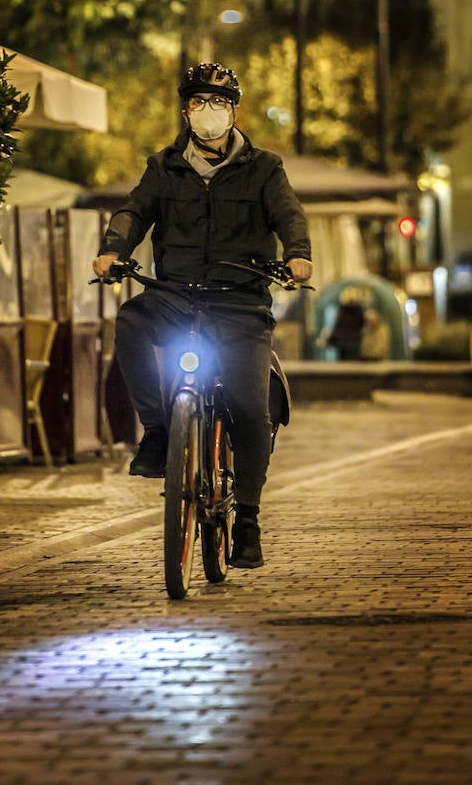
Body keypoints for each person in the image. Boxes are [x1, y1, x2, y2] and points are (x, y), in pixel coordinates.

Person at [92, 61, 313, 571]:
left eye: (217, 102)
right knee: (129, 320)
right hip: (176, 295)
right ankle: (157, 431)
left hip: (239, 302)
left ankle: (250, 522)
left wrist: (297, 253)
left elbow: (289, 214)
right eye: (196, 102)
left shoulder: (265, 167)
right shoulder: (163, 166)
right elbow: (132, 212)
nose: (206, 111)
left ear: (233, 110)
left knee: (251, 410)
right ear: (185, 110)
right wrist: (112, 250)